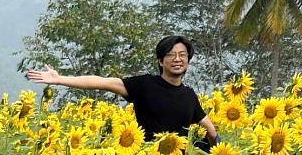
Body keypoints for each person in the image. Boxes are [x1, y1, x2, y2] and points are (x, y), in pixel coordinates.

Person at [26, 35, 219, 145]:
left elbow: (210, 131)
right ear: (161, 61)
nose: (177, 59)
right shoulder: (145, 85)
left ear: (188, 60)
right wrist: (60, 80)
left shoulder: (189, 96)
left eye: (182, 55)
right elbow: (102, 82)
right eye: (171, 55)